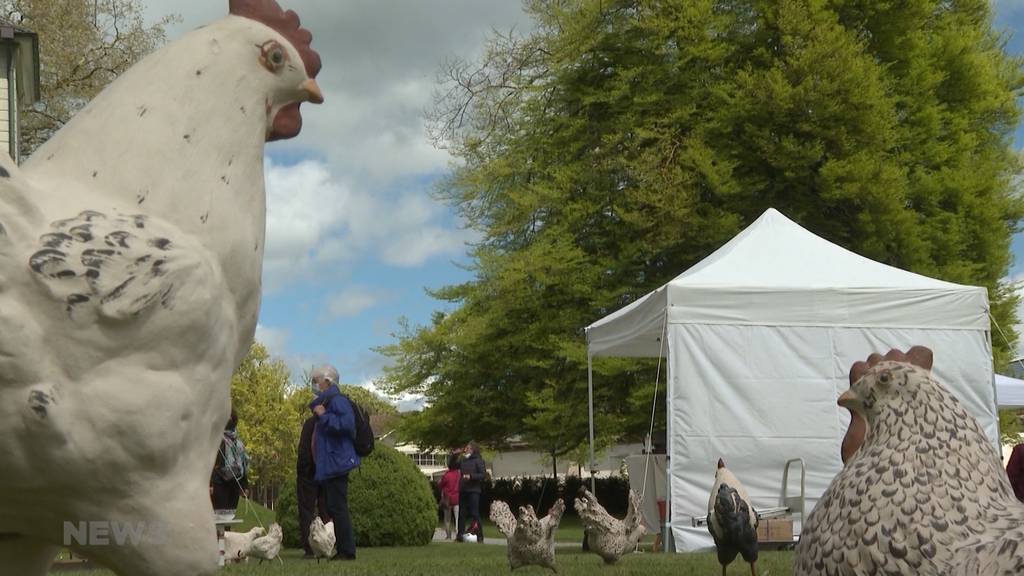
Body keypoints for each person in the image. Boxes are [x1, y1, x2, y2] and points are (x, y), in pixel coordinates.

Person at [308, 364, 360, 561]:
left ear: (327, 381)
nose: (314, 385)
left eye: (316, 381)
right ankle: (344, 549)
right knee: (333, 506)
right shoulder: (329, 401)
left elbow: (347, 425)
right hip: (332, 462)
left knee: (338, 506)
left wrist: (324, 415)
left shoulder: (337, 401)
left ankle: (347, 551)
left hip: (337, 462)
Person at [296, 413, 328, 558]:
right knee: (325, 510)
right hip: (326, 472)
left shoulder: (309, 424)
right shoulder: (329, 424)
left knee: (306, 510)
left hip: (308, 473)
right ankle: (326, 543)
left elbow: (303, 449)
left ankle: (309, 547)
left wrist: (303, 470)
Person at [210, 410, 249, 514]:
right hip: (226, 484)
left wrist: (244, 486)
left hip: (228, 485)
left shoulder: (236, 443)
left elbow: (243, 464)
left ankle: (225, 530)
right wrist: (210, 484)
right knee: (223, 517)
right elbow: (210, 464)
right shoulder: (218, 440)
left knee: (226, 518)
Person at [456, 441, 486, 543]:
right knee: (462, 513)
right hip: (463, 489)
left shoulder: (478, 460)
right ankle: (460, 535)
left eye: (468, 448)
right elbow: (452, 466)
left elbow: (482, 475)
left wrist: (471, 476)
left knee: (474, 513)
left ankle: (480, 535)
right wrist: (455, 455)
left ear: (473, 450)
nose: (465, 450)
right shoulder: (463, 460)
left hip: (473, 490)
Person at [438, 452, 461, 540]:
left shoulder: (446, 475)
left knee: (447, 518)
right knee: (457, 517)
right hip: (457, 498)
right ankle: (458, 533)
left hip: (447, 498)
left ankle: (448, 535)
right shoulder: (459, 474)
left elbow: (440, 485)